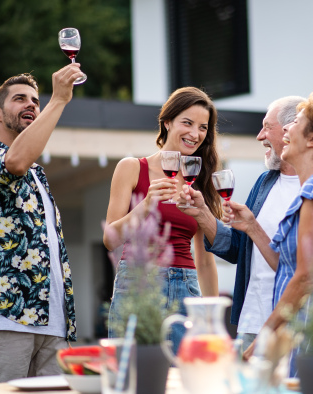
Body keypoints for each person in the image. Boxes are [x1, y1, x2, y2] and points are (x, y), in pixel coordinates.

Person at [178, 96, 313, 353]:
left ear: (312, 138)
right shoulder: (265, 184)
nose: (259, 135)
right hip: (260, 319)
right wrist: (207, 215)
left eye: (268, 126)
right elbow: (270, 258)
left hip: (302, 327)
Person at [226, 94, 313, 373]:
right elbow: (293, 267)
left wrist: (263, 339)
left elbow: (304, 278)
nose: (286, 129)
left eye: (295, 123)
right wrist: (252, 226)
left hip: (306, 339)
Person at [0, 64, 84, 384]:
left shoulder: (39, 175)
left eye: (36, 99)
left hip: (55, 326)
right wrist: (58, 100)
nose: (32, 104)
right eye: (20, 99)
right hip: (6, 319)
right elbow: (14, 162)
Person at [103, 87, 223, 352]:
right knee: (132, 372)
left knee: (185, 377)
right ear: (167, 122)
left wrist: (211, 321)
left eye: (203, 127)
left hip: (186, 287)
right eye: (187, 123)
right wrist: (145, 207)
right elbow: (110, 239)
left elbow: (205, 260)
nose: (195, 134)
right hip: (139, 284)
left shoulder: (200, 179)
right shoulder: (132, 168)